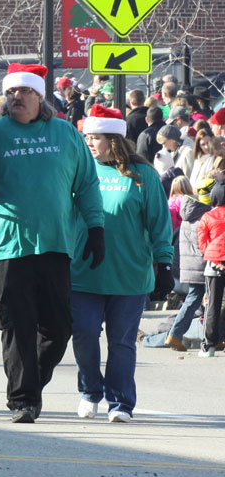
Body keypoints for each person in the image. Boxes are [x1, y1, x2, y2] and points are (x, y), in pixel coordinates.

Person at [0, 63, 105, 423]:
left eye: (24, 91)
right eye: (11, 92)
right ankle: (23, 399)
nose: (17, 97)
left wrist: (95, 227)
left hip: (56, 243)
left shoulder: (65, 133)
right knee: (16, 323)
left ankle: (30, 384)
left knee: (58, 328)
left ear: (39, 96)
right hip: (9, 245)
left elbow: (87, 183)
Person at [70, 105, 173, 423]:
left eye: (95, 137)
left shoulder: (143, 175)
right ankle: (90, 391)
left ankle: (121, 402)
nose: (88, 143)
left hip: (129, 275)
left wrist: (164, 263)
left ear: (113, 139)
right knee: (84, 333)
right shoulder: (79, 171)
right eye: (86, 137)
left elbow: (159, 221)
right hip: (84, 273)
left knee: (121, 342)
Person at [163, 179, 213, 351]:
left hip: (190, 265)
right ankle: (176, 334)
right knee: (202, 301)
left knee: (195, 300)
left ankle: (176, 334)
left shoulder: (189, 213)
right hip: (202, 266)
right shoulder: (205, 215)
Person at [197, 181, 225, 357]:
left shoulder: (208, 216)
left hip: (214, 265)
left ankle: (209, 345)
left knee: (212, 305)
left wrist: (215, 258)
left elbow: (202, 242)